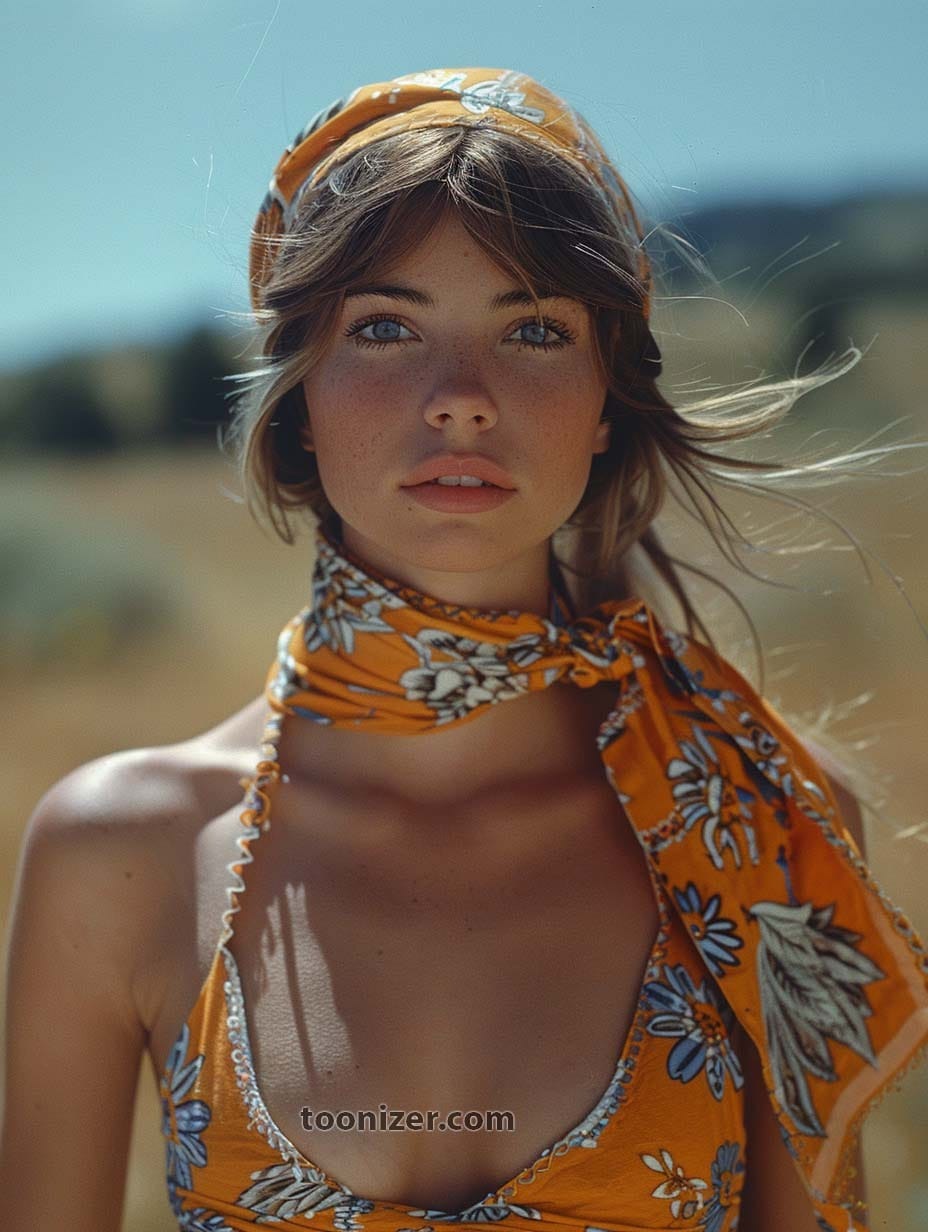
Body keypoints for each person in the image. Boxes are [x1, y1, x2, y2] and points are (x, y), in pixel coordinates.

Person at [2, 66, 926, 1232]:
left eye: (533, 328)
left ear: (603, 401)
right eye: (384, 327)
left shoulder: (767, 833)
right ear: (298, 392)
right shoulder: (122, 850)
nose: (460, 398)